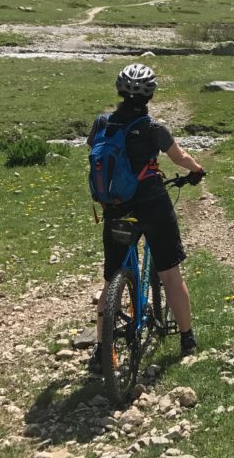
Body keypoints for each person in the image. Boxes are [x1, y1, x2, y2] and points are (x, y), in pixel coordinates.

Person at [86, 63, 205, 374]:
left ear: (118, 90)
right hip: (152, 203)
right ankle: (187, 338)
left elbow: (93, 150)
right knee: (171, 275)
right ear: (150, 93)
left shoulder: (102, 123)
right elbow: (179, 157)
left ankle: (101, 348)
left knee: (112, 278)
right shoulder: (153, 127)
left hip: (115, 207)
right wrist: (196, 171)